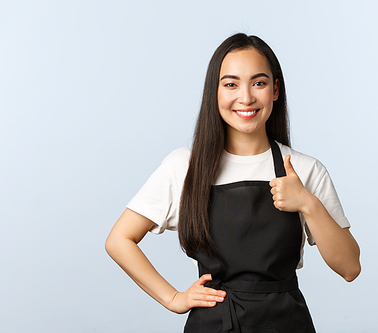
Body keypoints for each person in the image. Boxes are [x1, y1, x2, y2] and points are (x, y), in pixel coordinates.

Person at [105, 33, 361, 333]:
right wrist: (174, 298)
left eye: (259, 83)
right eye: (231, 84)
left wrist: (307, 203)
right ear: (214, 92)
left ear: (275, 90)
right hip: (213, 324)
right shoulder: (185, 167)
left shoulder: (304, 169)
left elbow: (349, 267)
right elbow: (118, 240)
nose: (246, 97)